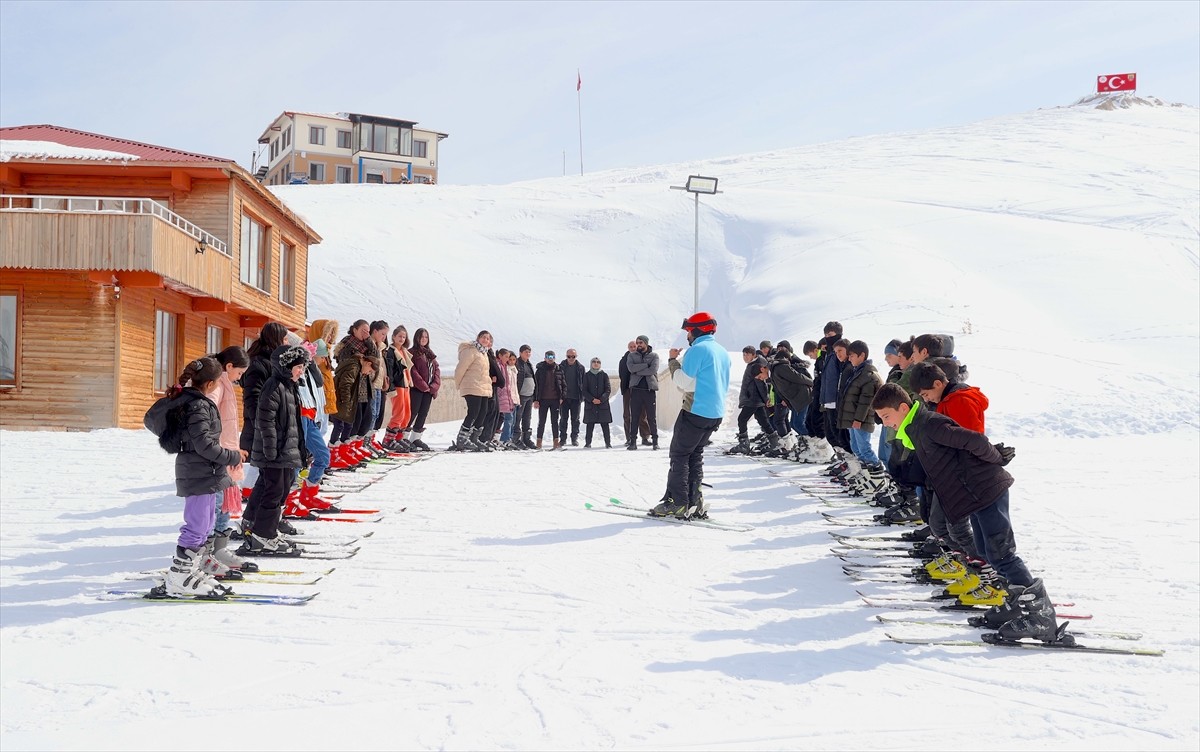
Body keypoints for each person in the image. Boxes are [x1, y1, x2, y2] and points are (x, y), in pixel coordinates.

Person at [871, 384, 1058, 642]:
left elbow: (975, 440)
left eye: (886, 416)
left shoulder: (930, 424)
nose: (885, 423)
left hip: (986, 488)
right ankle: (1015, 604)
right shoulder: (916, 429)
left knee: (1002, 553)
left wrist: (996, 457)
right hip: (974, 494)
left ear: (903, 408)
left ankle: (1041, 617)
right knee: (986, 550)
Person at [156, 357, 245, 597]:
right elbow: (204, 445)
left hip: (206, 472)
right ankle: (179, 576)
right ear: (210, 383)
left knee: (205, 525)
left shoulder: (198, 403)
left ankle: (190, 570)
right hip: (197, 472)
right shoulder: (198, 406)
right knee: (196, 527)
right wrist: (232, 456)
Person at [650, 312, 731, 519]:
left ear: (697, 330)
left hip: (696, 410)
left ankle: (677, 503)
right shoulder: (722, 351)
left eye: (688, 331)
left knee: (679, 455)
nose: (687, 335)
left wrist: (672, 361)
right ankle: (695, 501)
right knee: (695, 455)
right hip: (715, 413)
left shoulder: (697, 350)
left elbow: (683, 383)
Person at [242, 344, 312, 554]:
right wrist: (271, 450)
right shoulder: (274, 387)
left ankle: (259, 526)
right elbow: (266, 421)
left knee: (277, 488)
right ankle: (263, 534)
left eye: (303, 367)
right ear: (285, 366)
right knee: (273, 491)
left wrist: (301, 450)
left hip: (284, 450)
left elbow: (294, 425)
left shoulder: (289, 387)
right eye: (298, 367)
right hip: (273, 452)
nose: (301, 371)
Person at [205, 346, 253, 575]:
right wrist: (219, 448)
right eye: (239, 373)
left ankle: (219, 549)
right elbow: (207, 411)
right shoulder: (217, 384)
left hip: (227, 453)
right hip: (218, 455)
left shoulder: (224, 383)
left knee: (224, 504)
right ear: (229, 366)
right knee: (216, 505)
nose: (239, 378)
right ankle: (208, 553)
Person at [837, 340, 882, 468]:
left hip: (861, 420)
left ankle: (876, 469)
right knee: (855, 447)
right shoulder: (857, 372)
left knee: (864, 448)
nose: (849, 359)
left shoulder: (868, 375)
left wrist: (858, 419)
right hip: (853, 419)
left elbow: (866, 401)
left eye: (852, 356)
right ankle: (864, 471)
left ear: (861, 355)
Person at [729, 346, 777, 455]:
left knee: (742, 419)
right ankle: (774, 443)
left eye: (747, 355)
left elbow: (761, 384)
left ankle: (744, 444)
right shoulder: (753, 364)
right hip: (754, 398)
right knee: (763, 420)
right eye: (744, 355)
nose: (745, 357)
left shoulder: (757, 365)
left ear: (753, 355)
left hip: (753, 398)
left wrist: (766, 399)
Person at [454, 330, 494, 451]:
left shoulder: (484, 353)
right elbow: (461, 368)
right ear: (478, 338)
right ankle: (462, 438)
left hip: (482, 388)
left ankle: (473, 438)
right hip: (471, 386)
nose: (485, 340)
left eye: (488, 338)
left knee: (483, 412)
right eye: (483, 337)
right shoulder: (471, 350)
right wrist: (458, 383)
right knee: (473, 412)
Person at [407, 328, 440, 451]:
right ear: (416, 338)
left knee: (423, 414)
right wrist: (423, 386)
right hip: (417, 389)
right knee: (412, 413)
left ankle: (415, 438)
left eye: (426, 337)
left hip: (429, 391)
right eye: (421, 337)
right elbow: (412, 370)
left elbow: (436, 370)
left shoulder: (430, 353)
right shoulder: (411, 352)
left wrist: (434, 386)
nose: (424, 339)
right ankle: (403, 438)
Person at [625, 335, 660, 450]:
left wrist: (638, 370)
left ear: (646, 343)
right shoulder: (631, 355)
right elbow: (631, 369)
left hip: (649, 391)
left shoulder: (654, 356)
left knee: (651, 417)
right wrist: (645, 365)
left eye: (641, 342)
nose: (638, 345)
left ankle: (655, 442)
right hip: (636, 390)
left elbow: (653, 370)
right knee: (634, 417)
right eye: (637, 342)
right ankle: (633, 442)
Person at [382, 325, 414, 450]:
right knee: (399, 413)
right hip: (397, 385)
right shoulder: (391, 352)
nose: (402, 339)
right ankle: (388, 439)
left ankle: (398, 438)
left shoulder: (404, 351)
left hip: (405, 385)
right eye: (399, 336)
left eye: (404, 337)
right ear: (394, 337)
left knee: (407, 413)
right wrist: (391, 386)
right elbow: (390, 370)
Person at [618, 341, 652, 447]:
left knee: (642, 414)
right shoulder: (623, 360)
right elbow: (622, 374)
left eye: (634, 346)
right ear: (628, 348)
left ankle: (645, 437)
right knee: (627, 414)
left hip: (640, 388)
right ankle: (629, 438)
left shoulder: (641, 358)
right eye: (631, 347)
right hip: (628, 389)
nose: (633, 348)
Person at [533, 350, 566, 448]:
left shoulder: (559, 369)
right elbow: (536, 386)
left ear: (554, 358)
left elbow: (564, 385)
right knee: (541, 421)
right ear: (545, 358)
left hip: (555, 400)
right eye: (548, 357)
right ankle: (539, 442)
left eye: (552, 357)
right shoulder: (540, 370)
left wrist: (562, 397)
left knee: (555, 421)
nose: (550, 359)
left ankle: (556, 442)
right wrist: (535, 399)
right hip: (543, 399)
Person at [582, 356, 612, 448]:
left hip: (603, 404)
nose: (596, 363)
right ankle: (588, 443)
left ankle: (608, 443)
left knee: (605, 424)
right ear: (591, 364)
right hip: (590, 404)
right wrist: (592, 399)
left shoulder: (604, 375)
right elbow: (584, 390)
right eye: (594, 362)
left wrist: (601, 399)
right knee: (590, 425)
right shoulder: (587, 375)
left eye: (598, 362)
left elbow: (608, 389)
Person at [558, 348, 586, 446]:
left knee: (575, 419)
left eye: (573, 356)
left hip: (576, 398)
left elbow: (584, 382)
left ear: (576, 356)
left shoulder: (581, 368)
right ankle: (563, 439)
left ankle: (574, 438)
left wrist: (582, 396)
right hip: (564, 398)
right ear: (566, 356)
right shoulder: (560, 367)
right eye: (569, 356)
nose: (571, 358)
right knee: (563, 419)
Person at [513, 344, 537, 449]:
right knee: (518, 417)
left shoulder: (529, 364)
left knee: (527, 418)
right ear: (520, 353)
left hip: (529, 396)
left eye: (529, 352)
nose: (528, 353)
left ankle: (526, 439)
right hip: (521, 396)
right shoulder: (517, 363)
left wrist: (535, 396)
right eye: (526, 352)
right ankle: (515, 439)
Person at [497, 349, 521, 448]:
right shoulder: (505, 369)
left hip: (515, 398)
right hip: (508, 397)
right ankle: (504, 439)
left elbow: (515, 386)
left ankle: (509, 439)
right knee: (508, 419)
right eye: (509, 359)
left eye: (513, 359)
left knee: (513, 420)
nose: (511, 361)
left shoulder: (514, 370)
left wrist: (517, 399)